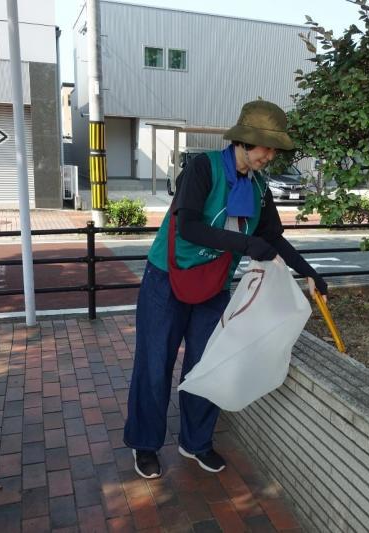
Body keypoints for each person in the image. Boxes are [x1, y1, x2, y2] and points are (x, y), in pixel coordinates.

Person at [123, 100, 328, 479]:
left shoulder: (260, 189)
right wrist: (247, 246)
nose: (269, 155)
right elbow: (190, 228)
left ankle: (195, 442)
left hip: (214, 283)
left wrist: (309, 272)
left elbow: (272, 238)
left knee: (208, 364)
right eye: (264, 146)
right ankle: (145, 443)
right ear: (244, 142)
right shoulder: (202, 169)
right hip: (167, 278)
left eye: (273, 149)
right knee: (154, 365)